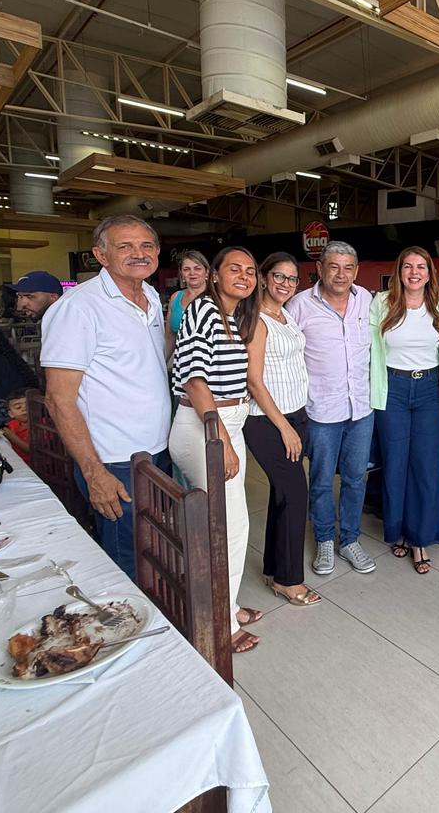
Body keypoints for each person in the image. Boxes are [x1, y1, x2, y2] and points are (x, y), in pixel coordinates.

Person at [41, 214, 171, 579]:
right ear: (100, 255)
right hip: (113, 460)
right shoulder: (78, 307)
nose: (138, 254)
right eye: (124, 246)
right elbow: (58, 400)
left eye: (146, 245)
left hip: (157, 451)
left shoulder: (150, 296)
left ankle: (155, 611)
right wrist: (94, 472)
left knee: (155, 549)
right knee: (125, 561)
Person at [169, 246, 264, 653]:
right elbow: (195, 381)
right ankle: (220, 621)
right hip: (203, 428)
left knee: (229, 523)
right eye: (234, 269)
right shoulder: (203, 310)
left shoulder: (230, 316)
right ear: (215, 275)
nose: (244, 276)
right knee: (231, 527)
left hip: (224, 425)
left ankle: (229, 604)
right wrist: (219, 440)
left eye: (250, 271)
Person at [285, 240, 377, 576]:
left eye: (348, 268)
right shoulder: (299, 305)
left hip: (361, 408)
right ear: (320, 269)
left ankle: (349, 539)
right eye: (334, 267)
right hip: (322, 410)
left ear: (356, 270)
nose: (341, 274)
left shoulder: (366, 300)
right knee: (322, 480)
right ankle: (324, 538)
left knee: (355, 478)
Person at [244, 253, 320, 607]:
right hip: (267, 420)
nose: (286, 284)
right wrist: (285, 428)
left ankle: (274, 568)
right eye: (278, 276)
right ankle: (289, 581)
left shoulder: (286, 315)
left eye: (292, 278)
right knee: (295, 495)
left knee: (282, 493)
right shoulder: (256, 320)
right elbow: (254, 381)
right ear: (263, 277)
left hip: (295, 414)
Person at [370, 246, 439, 574]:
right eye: (408, 266)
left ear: (430, 273)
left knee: (426, 465)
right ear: (399, 271)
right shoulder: (381, 303)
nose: (414, 272)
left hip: (429, 389)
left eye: (421, 267)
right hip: (393, 388)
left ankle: (420, 538)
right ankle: (399, 530)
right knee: (395, 463)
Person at [165, 250, 210, 360]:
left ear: (207, 272)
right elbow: (170, 337)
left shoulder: (216, 297)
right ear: (181, 274)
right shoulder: (176, 297)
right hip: (182, 363)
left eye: (197, 268)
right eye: (186, 269)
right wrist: (161, 363)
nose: (192, 273)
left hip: (210, 363)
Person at [2, 389, 32, 465]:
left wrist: (12, 437)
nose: (24, 409)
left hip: (33, 465)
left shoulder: (43, 426)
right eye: (18, 407)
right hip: (14, 460)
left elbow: (33, 451)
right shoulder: (12, 424)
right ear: (11, 414)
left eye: (29, 405)